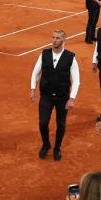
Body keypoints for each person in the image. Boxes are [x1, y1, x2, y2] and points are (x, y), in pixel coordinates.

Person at [30, 29, 80, 161]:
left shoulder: (71, 58)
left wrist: (72, 98)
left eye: (58, 38)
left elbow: (76, 80)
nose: (54, 40)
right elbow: (36, 72)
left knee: (61, 124)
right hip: (46, 96)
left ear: (64, 40)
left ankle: (57, 148)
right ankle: (46, 145)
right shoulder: (44, 54)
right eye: (53, 37)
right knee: (43, 122)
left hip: (62, 98)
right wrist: (33, 89)